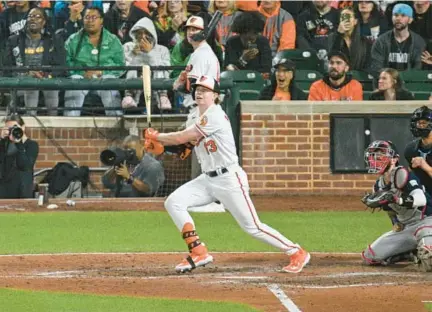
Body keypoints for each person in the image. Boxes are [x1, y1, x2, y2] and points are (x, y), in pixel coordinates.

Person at [145, 75, 311, 274]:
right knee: (173, 202)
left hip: (229, 179)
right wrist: (161, 149)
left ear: (215, 95)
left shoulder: (214, 115)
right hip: (207, 179)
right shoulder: (194, 116)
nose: (199, 92)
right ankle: (198, 251)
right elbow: (185, 148)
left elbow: (184, 136)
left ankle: (296, 251)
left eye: (205, 90)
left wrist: (158, 137)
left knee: (253, 227)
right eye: (198, 89)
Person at [361, 140, 432, 271]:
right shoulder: (378, 186)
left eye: (382, 154)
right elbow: (391, 211)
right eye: (374, 155)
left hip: (427, 221)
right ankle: (410, 252)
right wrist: (395, 223)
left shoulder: (402, 174)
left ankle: (423, 248)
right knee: (371, 255)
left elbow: (421, 200)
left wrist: (397, 199)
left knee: (429, 257)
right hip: (407, 227)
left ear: (394, 159)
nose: (377, 158)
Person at [3, 7, 66, 116]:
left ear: (44, 22)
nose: (33, 19)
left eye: (38, 17)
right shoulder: (14, 40)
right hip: (22, 80)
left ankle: (53, 122)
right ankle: (30, 120)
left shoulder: (53, 40)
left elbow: (61, 65)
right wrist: (27, 73)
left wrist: (47, 74)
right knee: (31, 86)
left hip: (47, 78)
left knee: (51, 88)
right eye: (30, 16)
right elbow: (7, 67)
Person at [64, 6, 125, 117]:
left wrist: (102, 72)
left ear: (101, 20)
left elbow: (120, 65)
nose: (90, 21)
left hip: (104, 78)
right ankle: (70, 124)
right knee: (74, 83)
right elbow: (67, 62)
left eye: (94, 17)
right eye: (87, 17)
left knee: (110, 83)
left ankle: (116, 123)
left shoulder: (113, 40)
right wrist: (82, 73)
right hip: (81, 78)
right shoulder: (73, 40)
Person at [122, 17, 172, 111]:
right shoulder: (128, 47)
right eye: (140, 33)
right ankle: (129, 97)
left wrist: (150, 53)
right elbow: (123, 67)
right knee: (133, 69)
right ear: (135, 34)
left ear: (152, 34)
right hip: (135, 79)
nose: (143, 36)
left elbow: (168, 69)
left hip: (155, 81)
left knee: (162, 69)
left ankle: (163, 97)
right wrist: (133, 54)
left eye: (146, 33)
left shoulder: (162, 49)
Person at [370, 3, 426, 78]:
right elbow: (376, 68)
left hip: (409, 84)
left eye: (403, 15)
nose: (398, 18)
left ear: (410, 20)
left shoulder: (418, 42)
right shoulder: (381, 41)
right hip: (387, 84)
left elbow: (417, 69)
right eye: (396, 15)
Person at [0, 114, 39, 198]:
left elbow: (25, 166)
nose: (12, 131)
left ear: (23, 127)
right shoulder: (5, 144)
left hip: (22, 191)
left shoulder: (32, 145)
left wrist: (19, 143)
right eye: (9, 129)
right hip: (4, 190)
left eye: (15, 127)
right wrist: (1, 140)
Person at [328, 6, 371, 71]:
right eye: (343, 17)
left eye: (348, 17)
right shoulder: (332, 37)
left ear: (355, 21)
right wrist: (339, 34)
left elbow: (367, 65)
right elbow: (331, 58)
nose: (345, 20)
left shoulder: (365, 41)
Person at [405, 105, 432, 195]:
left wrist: (426, 167)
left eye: (424, 123)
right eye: (418, 123)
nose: (420, 126)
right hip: (423, 196)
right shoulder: (411, 149)